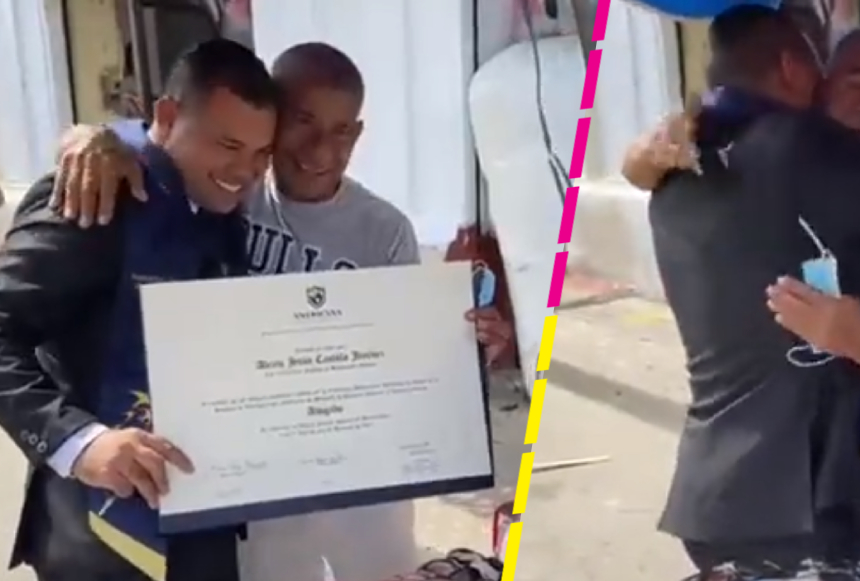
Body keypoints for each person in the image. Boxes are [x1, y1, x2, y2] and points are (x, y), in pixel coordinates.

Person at [49, 42, 513, 581]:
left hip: (364, 479)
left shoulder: (384, 230)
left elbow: (410, 360)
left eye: (341, 130)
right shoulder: (229, 196)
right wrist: (95, 137)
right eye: (303, 122)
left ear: (358, 134)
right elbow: (161, 146)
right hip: (256, 482)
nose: (321, 147)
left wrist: (467, 350)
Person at [628, 6, 860, 572]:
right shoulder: (799, 149)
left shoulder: (673, 172)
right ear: (802, 74)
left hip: (721, 494)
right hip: (792, 507)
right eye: (857, 84)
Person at [0, 39, 280, 581]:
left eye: (260, 153)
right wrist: (79, 442)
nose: (245, 170)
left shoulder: (221, 209)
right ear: (169, 116)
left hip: (203, 523)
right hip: (98, 534)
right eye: (228, 144)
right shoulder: (95, 194)